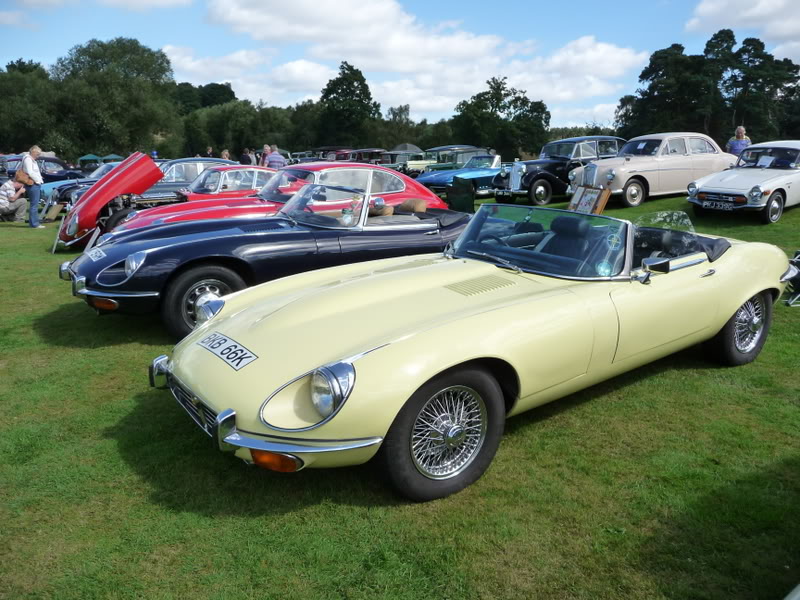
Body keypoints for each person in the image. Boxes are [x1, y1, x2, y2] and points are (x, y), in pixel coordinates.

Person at [21, 145, 44, 228]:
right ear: (33, 152)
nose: (38, 156)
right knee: (34, 205)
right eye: (37, 154)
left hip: (33, 183)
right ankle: (35, 224)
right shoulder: (28, 159)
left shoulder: (29, 159)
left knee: (33, 204)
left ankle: (32, 223)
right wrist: (38, 180)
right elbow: (30, 172)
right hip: (33, 183)